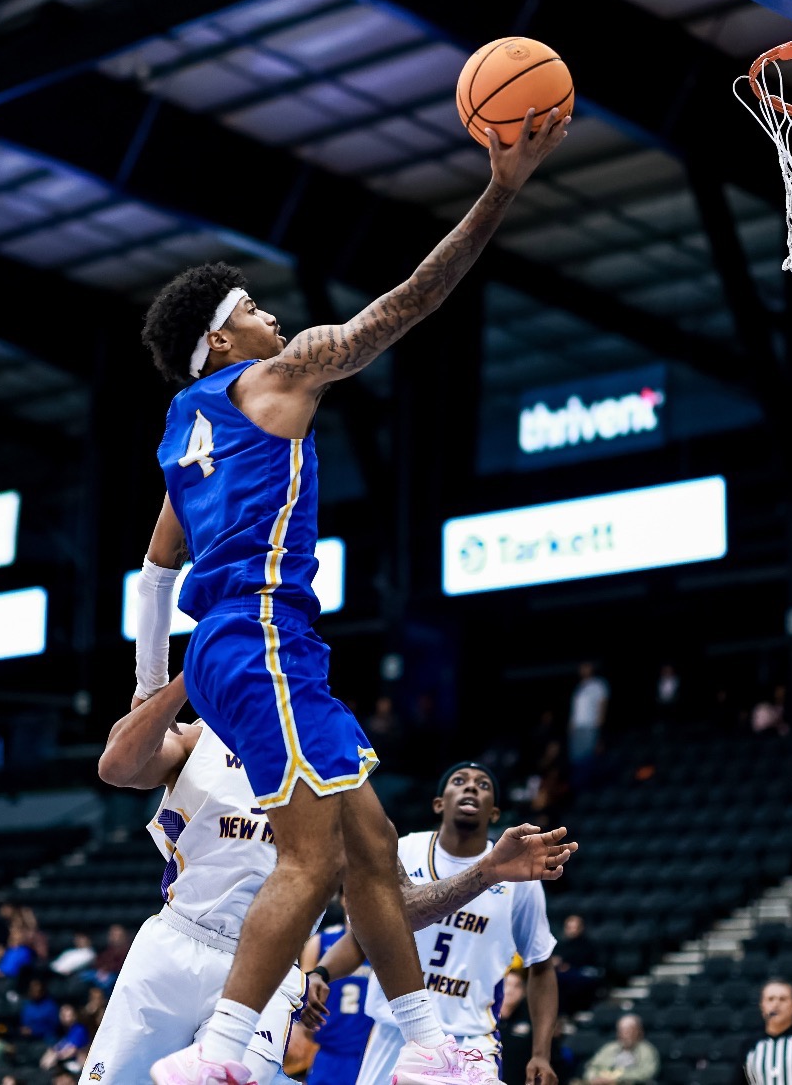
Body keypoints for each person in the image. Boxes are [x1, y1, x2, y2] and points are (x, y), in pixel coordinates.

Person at [132, 106, 570, 1085]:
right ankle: (219, 1053)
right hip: (259, 639)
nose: (271, 315)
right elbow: (402, 306)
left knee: (371, 843)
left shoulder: (180, 428)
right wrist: (498, 192)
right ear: (220, 338)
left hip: (241, 648)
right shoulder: (269, 378)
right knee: (312, 858)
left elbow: (157, 569)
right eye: (250, 307)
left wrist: (148, 682)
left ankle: (424, 1048)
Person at [96, 689, 573, 1085]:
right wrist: (187, 677)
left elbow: (394, 910)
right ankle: (429, 1043)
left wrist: (487, 872)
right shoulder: (203, 734)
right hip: (175, 942)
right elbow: (115, 768)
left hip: (267, 970)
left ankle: (428, 1045)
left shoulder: (337, 779)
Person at [330, 763, 564, 1085]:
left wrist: (541, 1052)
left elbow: (541, 964)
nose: (471, 787)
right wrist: (320, 973)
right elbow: (364, 936)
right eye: (459, 781)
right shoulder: (404, 851)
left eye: (483, 785)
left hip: (470, 1041)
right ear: (439, 803)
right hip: (392, 1031)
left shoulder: (518, 877)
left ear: (494, 813)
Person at [299, 910, 375, 1085]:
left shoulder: (383, 946)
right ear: (343, 899)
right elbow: (301, 994)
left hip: (368, 1051)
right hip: (326, 1049)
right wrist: (298, 1030)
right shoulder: (321, 941)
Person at [583, 1015, 658, 1085]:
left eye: (629, 1031)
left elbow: (647, 1073)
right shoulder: (609, 1048)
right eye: (622, 1031)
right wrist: (594, 1078)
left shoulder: (647, 1050)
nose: (625, 1035)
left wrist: (617, 1078)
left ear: (639, 1032)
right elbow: (592, 1067)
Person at [552, 916, 603, 1014]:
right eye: (569, 927)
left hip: (580, 975)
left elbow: (588, 964)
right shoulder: (560, 945)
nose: (571, 930)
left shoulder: (588, 945)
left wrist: (566, 965)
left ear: (581, 928)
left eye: (574, 927)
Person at [571, 664, 609, 767]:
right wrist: (572, 723)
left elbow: (602, 703)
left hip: (590, 725)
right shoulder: (580, 687)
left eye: (586, 667)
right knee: (576, 756)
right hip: (578, 727)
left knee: (588, 755)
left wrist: (599, 723)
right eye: (581, 668)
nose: (583, 670)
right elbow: (576, 709)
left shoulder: (598, 684)